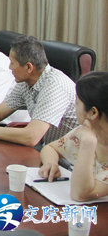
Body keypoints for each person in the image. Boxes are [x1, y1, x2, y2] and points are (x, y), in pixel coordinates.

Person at [0, 36, 78, 147]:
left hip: (71, 159)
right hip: (52, 150)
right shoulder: (26, 82)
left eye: (12, 63)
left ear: (28, 67)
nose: (9, 67)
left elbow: (31, 137)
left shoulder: (54, 86)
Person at [38, 72, 108, 200]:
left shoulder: (87, 136)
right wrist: (51, 163)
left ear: (93, 112)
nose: (75, 106)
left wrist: (88, 143)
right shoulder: (85, 131)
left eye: (77, 102)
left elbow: (81, 194)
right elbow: (51, 148)